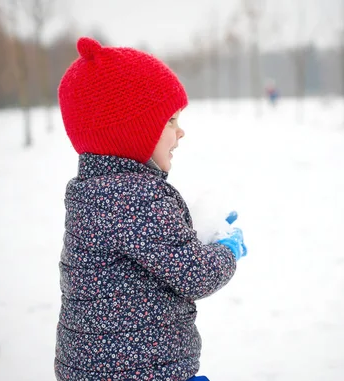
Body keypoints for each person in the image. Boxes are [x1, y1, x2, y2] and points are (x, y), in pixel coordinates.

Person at [54, 36, 248, 381]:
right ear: (132, 131)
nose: (181, 131)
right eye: (170, 120)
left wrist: (191, 231)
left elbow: (150, 249)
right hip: (143, 371)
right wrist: (226, 249)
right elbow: (195, 274)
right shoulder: (135, 197)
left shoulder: (91, 192)